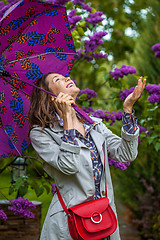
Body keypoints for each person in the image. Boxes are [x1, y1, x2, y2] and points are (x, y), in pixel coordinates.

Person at [28, 72, 146, 240]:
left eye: (65, 76)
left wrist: (128, 109)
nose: (67, 78)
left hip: (104, 219)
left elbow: (126, 153)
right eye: (57, 79)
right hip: (70, 224)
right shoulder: (41, 134)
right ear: (50, 97)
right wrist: (68, 121)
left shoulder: (94, 124)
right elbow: (69, 166)